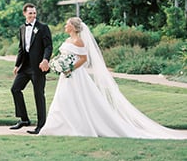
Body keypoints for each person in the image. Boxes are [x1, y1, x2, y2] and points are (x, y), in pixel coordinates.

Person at [40, 17, 186, 139]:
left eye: (67, 24)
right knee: (63, 99)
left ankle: (80, 126)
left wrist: (70, 68)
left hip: (75, 75)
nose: (65, 25)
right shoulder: (67, 39)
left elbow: (84, 59)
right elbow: (65, 56)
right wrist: (58, 64)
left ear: (73, 26)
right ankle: (59, 126)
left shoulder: (79, 41)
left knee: (78, 99)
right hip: (66, 76)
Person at [10, 3, 53, 134]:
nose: (33, 15)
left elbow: (48, 46)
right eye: (30, 13)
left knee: (38, 94)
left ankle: (41, 125)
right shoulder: (22, 28)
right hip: (25, 66)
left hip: (38, 66)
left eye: (34, 13)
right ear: (25, 14)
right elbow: (21, 48)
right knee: (15, 89)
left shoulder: (43, 28)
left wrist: (45, 60)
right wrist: (17, 65)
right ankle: (24, 119)